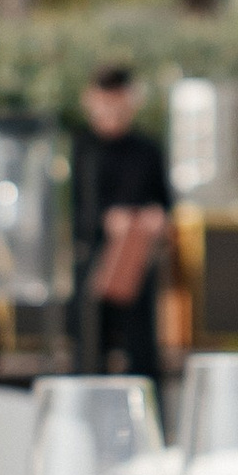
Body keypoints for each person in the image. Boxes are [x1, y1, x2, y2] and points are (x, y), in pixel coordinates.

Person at [72, 66, 171, 389]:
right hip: (91, 260)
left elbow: (164, 201)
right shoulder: (80, 149)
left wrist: (153, 220)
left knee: (141, 345)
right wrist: (106, 219)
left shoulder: (146, 149)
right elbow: (71, 207)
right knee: (89, 346)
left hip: (136, 262)